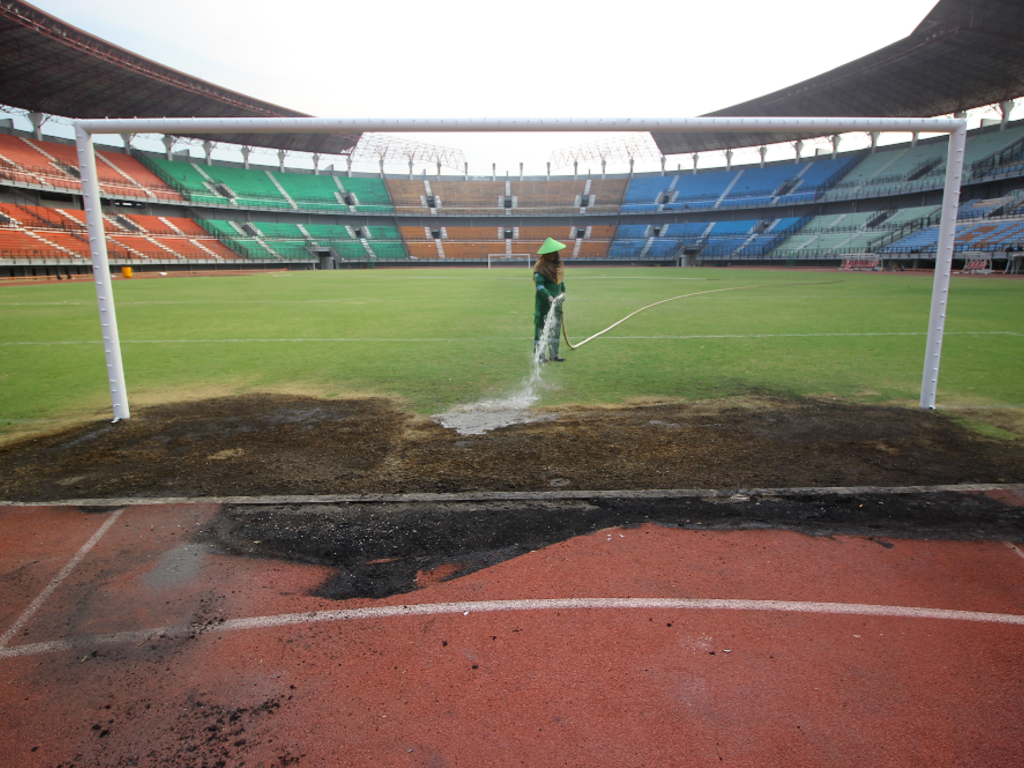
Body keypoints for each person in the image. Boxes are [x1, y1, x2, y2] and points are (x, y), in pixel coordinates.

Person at [533, 237, 567, 362]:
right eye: (550, 253)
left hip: (557, 303)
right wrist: (548, 296)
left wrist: (563, 292)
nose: (553, 255)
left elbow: (561, 281)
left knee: (555, 328)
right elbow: (539, 286)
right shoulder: (540, 266)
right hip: (544, 304)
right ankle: (539, 355)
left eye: (554, 252)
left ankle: (554, 354)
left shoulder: (558, 265)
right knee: (541, 328)